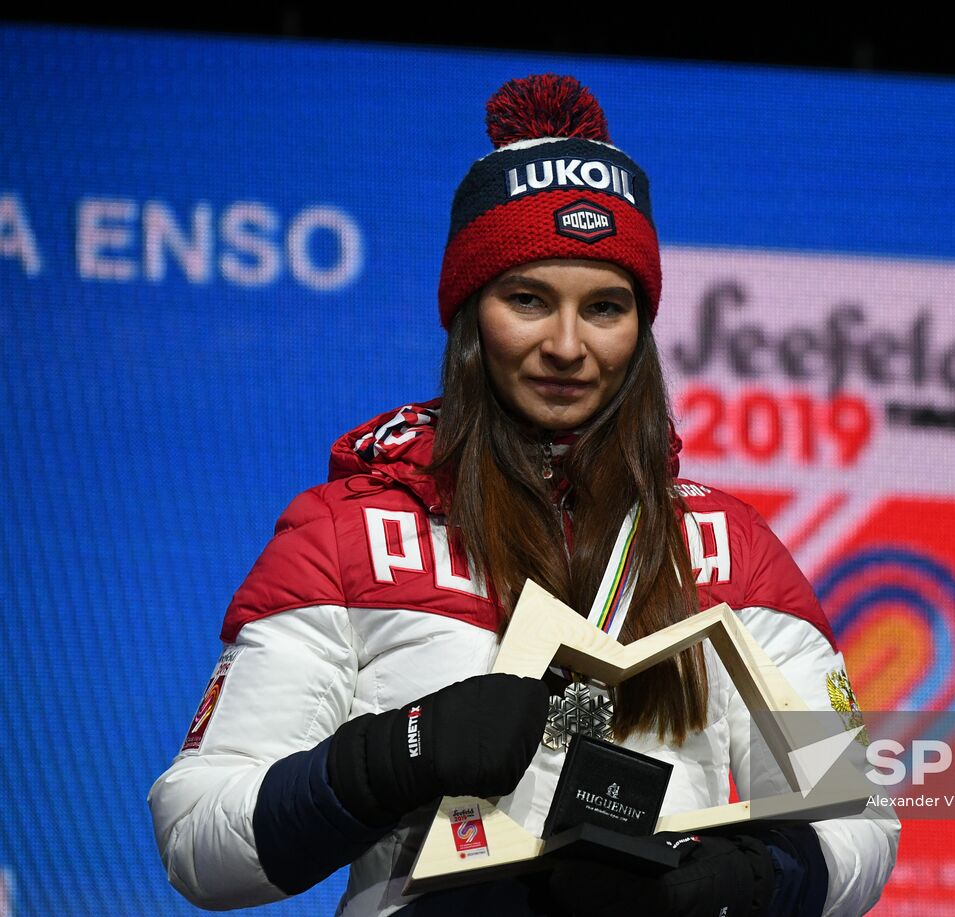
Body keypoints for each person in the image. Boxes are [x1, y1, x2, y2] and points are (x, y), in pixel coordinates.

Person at [149, 74, 899, 916]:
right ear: (472, 315)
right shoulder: (347, 534)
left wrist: (752, 879)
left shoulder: (731, 548)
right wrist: (394, 754)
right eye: (529, 299)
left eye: (606, 307)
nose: (567, 345)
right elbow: (196, 838)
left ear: (641, 327)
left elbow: (855, 814)